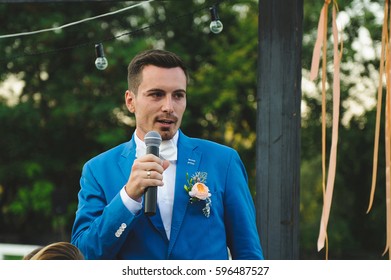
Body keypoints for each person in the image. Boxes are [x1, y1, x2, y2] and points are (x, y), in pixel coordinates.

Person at [71, 49, 264, 260]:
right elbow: (83, 255)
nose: (169, 107)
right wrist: (128, 198)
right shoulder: (98, 170)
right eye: (156, 94)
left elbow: (248, 255)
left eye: (178, 95)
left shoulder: (223, 162)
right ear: (130, 101)